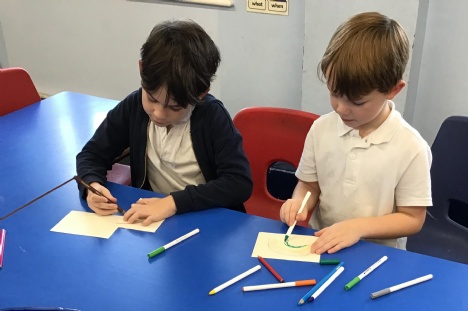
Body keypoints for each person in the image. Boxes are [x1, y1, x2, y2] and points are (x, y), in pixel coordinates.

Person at [280, 12, 432, 254]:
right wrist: (299, 202)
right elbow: (309, 184)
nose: (341, 108)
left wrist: (357, 228)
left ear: (393, 90)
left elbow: (412, 218)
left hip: (378, 255)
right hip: (323, 245)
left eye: (357, 102)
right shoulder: (321, 129)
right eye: (334, 93)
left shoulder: (411, 147)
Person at [76, 20, 253, 226]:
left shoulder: (212, 116)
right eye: (152, 99)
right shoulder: (134, 106)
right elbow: (92, 154)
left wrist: (173, 203)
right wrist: (92, 186)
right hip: (154, 223)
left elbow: (238, 183)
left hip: (206, 220)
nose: (159, 113)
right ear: (141, 69)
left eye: (174, 107)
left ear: (201, 93)